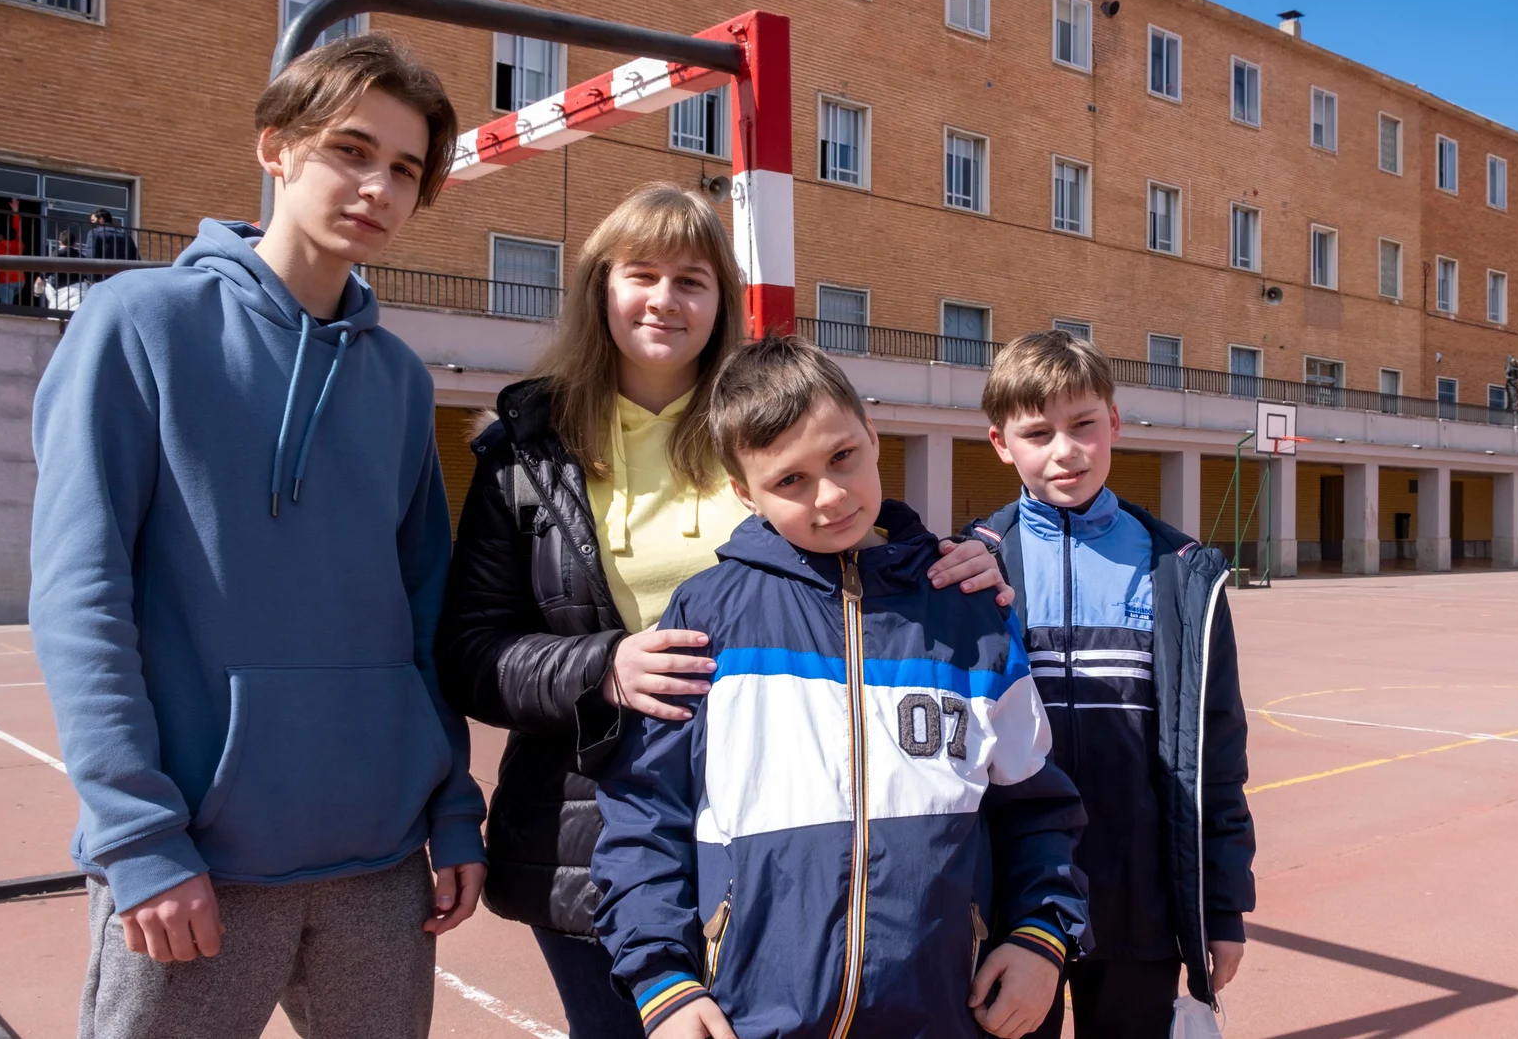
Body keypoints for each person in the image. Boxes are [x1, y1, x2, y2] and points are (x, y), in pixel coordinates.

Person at [433, 183, 1013, 1037]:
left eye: (693, 279)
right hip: (601, 826)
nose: (666, 299)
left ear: (722, 301)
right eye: (642, 274)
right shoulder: (526, 448)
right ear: (600, 286)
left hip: (784, 812)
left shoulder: (762, 419)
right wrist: (604, 667)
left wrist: (951, 553)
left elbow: (849, 524)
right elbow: (470, 651)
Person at [29, 33, 486, 1039]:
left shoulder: (402, 381)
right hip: (196, 862)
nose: (377, 185)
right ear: (276, 147)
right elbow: (80, 599)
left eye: (404, 169)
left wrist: (453, 808)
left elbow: (422, 619)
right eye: (351, 150)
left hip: (377, 862)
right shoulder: (137, 324)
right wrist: (139, 835)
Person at [591, 335, 1088, 1039]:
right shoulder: (706, 620)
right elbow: (645, 814)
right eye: (788, 481)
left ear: (872, 437)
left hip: (946, 1013)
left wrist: (1042, 933)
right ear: (743, 492)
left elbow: (1036, 805)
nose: (829, 496)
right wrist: (662, 982)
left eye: (842, 457)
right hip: (756, 1015)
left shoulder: (967, 609)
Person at [964, 330, 1256, 1039]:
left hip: (1141, 901)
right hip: (1014, 900)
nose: (1065, 450)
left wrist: (1221, 907)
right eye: (1038, 432)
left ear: (1114, 425)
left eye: (1083, 425)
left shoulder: (1180, 573)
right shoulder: (970, 567)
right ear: (1002, 443)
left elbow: (1216, 759)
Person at [0, 197, 25, 303]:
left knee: (7, 306)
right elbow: (17, 229)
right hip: (20, 280)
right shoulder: (19, 244)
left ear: (1, 236)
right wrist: (15, 213)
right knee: (10, 301)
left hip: (6, 280)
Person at [46, 228, 89, 310]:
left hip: (61, 289)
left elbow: (48, 269)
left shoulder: (57, 254)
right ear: (74, 243)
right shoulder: (80, 256)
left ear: (60, 242)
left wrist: (42, 278)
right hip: (79, 291)